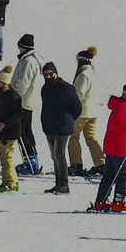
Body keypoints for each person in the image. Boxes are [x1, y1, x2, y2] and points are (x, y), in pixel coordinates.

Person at [91, 84, 126, 213]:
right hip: (120, 146)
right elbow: (120, 123)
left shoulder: (122, 105)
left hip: (113, 145)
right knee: (124, 176)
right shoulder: (123, 106)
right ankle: (118, 202)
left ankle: (101, 201)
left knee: (110, 175)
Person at [39, 61, 80, 194]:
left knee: (59, 155)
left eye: (50, 74)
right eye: (45, 74)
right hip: (49, 126)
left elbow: (77, 108)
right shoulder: (45, 88)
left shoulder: (67, 88)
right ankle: (58, 184)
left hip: (63, 126)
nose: (48, 77)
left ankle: (64, 185)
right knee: (54, 156)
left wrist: (68, 119)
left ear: (56, 73)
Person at [9, 35, 44, 174]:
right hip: (25, 101)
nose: (18, 48)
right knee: (26, 131)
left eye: (20, 46)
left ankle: (30, 162)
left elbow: (23, 82)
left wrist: (13, 95)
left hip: (22, 101)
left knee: (21, 132)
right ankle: (31, 160)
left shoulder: (29, 61)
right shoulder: (26, 59)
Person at [70, 48, 105, 176]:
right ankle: (100, 163)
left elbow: (78, 94)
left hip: (82, 112)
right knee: (91, 138)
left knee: (73, 137)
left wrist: (71, 107)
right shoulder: (92, 73)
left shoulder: (83, 75)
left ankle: (76, 164)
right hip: (93, 112)